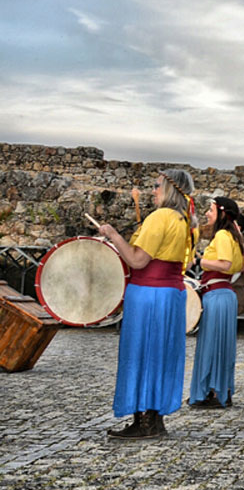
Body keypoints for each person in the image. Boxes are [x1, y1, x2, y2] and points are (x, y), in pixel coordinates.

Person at [97, 169, 199, 439]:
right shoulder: (186, 221)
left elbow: (138, 260)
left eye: (156, 186)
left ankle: (142, 422)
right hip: (171, 294)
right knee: (160, 355)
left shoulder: (160, 217)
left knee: (141, 353)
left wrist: (113, 234)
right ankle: (154, 420)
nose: (152, 191)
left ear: (169, 189)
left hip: (148, 295)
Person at [189, 197, 244, 409]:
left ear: (222, 213)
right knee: (221, 345)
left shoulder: (223, 234)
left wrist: (198, 261)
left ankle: (212, 392)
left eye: (211, 210)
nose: (207, 214)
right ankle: (221, 390)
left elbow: (226, 264)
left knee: (212, 345)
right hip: (224, 294)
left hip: (217, 296)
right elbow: (242, 266)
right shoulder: (234, 236)